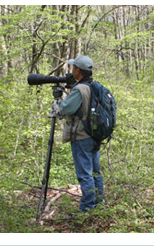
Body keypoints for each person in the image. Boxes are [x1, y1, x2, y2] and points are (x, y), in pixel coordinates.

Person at [59, 55, 104, 213]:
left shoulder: (80, 89)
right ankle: (99, 204)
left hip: (81, 136)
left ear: (78, 70)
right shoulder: (95, 86)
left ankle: (86, 209)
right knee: (95, 172)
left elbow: (66, 108)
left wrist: (59, 101)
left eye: (73, 68)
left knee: (85, 174)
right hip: (94, 135)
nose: (71, 71)